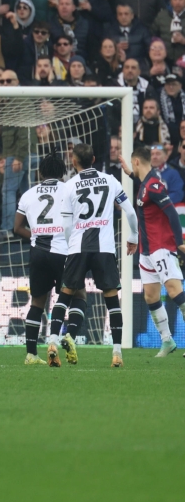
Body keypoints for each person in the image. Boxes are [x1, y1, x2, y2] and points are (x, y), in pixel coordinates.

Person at [56, 143, 137, 368]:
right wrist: (134, 237)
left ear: (73, 161)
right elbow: (130, 212)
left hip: (78, 248)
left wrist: (72, 245)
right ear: (93, 159)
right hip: (104, 248)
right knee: (112, 300)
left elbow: (65, 225)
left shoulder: (70, 185)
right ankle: (117, 352)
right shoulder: (110, 180)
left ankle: (53, 340)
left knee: (67, 293)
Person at [120, 144, 185, 358]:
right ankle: (167, 341)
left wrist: (179, 242)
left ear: (137, 161)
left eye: (132, 164)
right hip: (147, 251)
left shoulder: (155, 185)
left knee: (175, 291)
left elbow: (172, 214)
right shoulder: (146, 183)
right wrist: (130, 175)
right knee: (150, 296)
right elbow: (145, 194)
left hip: (161, 248)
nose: (132, 166)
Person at [13, 155, 69, 366]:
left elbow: (17, 228)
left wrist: (37, 235)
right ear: (63, 172)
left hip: (38, 252)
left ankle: (31, 354)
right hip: (62, 250)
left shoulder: (28, 194)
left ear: (41, 173)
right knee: (71, 295)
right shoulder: (69, 189)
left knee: (37, 302)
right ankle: (56, 339)